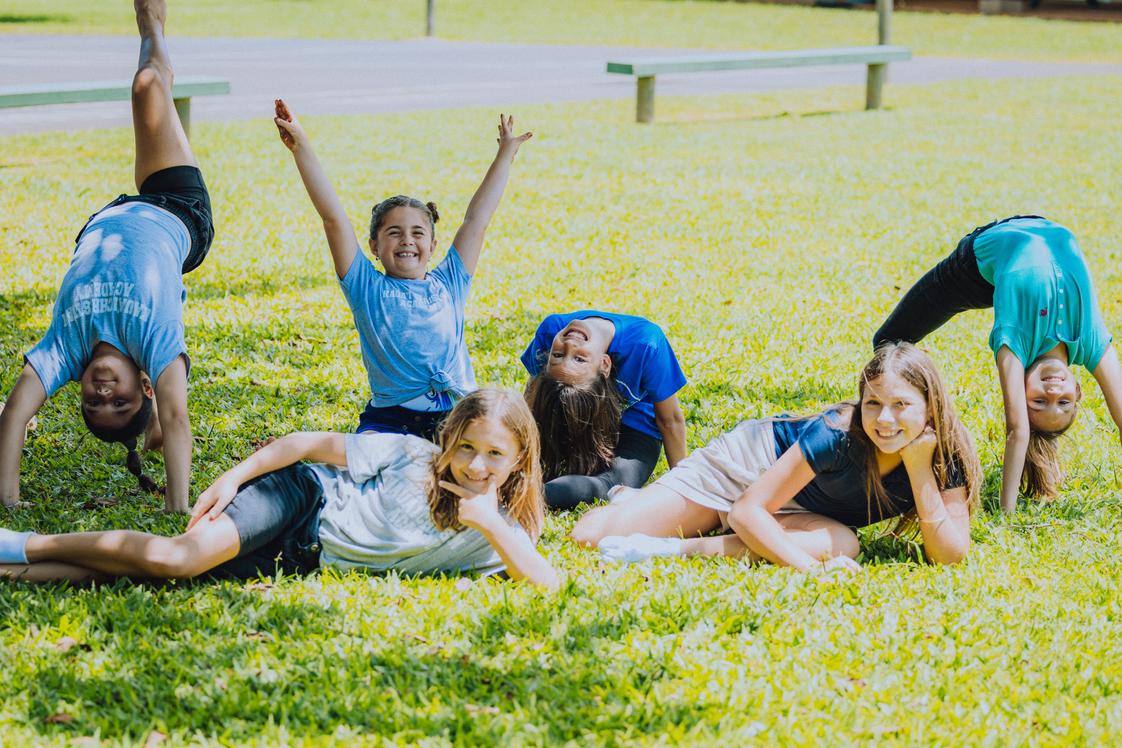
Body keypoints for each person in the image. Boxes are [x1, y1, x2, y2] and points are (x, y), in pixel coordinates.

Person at [0, 389, 559, 589]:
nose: (475, 466)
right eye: (467, 447)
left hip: (300, 559)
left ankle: (10, 570)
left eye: (494, 455)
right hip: (300, 497)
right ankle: (23, 542)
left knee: (144, 574)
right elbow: (306, 444)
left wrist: (485, 520)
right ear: (449, 438)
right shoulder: (413, 455)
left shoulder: (502, 532)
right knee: (175, 559)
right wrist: (234, 477)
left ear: (519, 461)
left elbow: (547, 582)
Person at [0, 0, 215, 512]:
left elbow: (13, 415)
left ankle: (154, 32)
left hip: (117, 216)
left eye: (93, 403)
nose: (103, 393)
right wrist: (176, 504)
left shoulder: (65, 350)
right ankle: (153, 23)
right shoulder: (155, 344)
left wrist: (7, 501)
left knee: (151, 88)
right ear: (144, 385)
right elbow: (180, 415)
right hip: (176, 211)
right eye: (120, 402)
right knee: (148, 87)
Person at [572, 343, 980, 571]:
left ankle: (667, 549)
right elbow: (749, 511)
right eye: (873, 403)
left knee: (843, 543)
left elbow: (949, 555)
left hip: (792, 508)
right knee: (590, 537)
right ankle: (630, 500)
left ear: (930, 406)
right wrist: (811, 573)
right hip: (745, 471)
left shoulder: (946, 452)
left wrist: (919, 466)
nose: (885, 419)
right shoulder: (838, 432)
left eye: (901, 405)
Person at [274, 100, 531, 441]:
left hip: (458, 416)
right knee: (369, 473)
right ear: (374, 247)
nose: (407, 240)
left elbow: (476, 220)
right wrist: (301, 147)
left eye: (417, 233)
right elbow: (333, 218)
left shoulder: (449, 282)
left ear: (433, 246)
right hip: (391, 420)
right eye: (393, 233)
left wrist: (504, 157)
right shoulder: (366, 287)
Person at [873, 216, 1122, 512]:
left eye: (1040, 401)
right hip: (1037, 225)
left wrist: (1007, 512)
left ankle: (896, 426)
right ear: (1078, 391)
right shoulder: (1089, 341)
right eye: (1064, 402)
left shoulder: (1014, 344)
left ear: (1021, 388)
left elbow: (1017, 429)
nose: (1053, 391)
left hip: (972, 271)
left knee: (888, 341)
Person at [521, 311, 688, 510]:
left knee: (613, 484)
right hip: (575, 418)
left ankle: (532, 495)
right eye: (556, 356)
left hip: (637, 427)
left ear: (605, 364)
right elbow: (535, 397)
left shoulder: (645, 342)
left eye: (580, 359)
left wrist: (683, 488)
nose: (570, 345)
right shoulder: (550, 333)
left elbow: (670, 420)